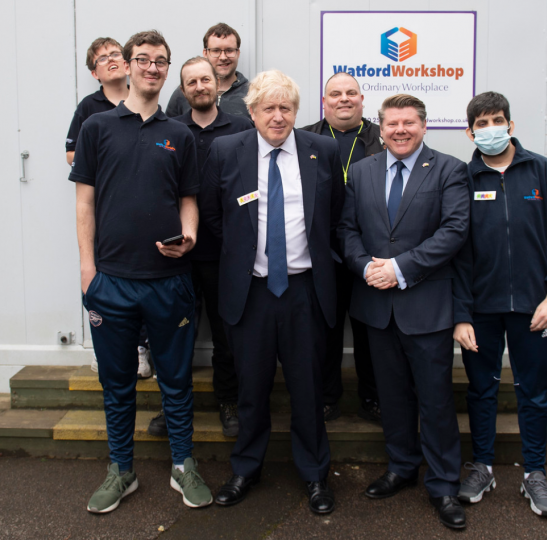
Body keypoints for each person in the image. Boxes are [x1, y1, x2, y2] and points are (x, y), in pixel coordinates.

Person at [70, 30, 213, 514]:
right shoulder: (97, 128)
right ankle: (121, 470)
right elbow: (84, 201)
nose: (152, 68)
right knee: (118, 383)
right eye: (144, 60)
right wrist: (88, 270)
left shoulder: (181, 135)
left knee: (176, 379)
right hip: (111, 282)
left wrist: (188, 236)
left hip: (169, 282)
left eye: (161, 62)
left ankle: (182, 465)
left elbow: (189, 199)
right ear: (128, 65)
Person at [199, 70, 345, 514]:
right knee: (251, 388)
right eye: (269, 108)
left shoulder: (323, 149)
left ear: (297, 112)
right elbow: (212, 215)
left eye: (286, 108)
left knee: (307, 388)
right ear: (252, 112)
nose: (277, 117)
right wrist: (246, 256)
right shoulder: (227, 150)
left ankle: (316, 475)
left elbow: (335, 214)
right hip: (252, 292)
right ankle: (246, 468)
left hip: (305, 291)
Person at [338, 94, 470, 530]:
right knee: (391, 397)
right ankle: (401, 466)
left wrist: (399, 268)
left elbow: (454, 230)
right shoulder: (361, 171)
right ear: (381, 126)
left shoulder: (449, 169)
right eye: (392, 123)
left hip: (426, 306)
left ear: (424, 125)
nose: (399, 130)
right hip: (376, 306)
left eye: (408, 123)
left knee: (434, 401)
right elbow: (347, 230)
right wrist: (365, 268)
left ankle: (444, 483)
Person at [453, 91, 547, 518]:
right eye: (482, 123)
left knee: (533, 392)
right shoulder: (462, 178)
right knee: (481, 390)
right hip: (481, 310)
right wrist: (460, 314)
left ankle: (535, 474)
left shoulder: (542, 171)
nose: (491, 129)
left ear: (511, 125)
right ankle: (484, 466)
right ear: (470, 131)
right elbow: (453, 251)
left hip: (534, 307)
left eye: (498, 121)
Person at [147, 57, 253, 439]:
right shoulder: (171, 131)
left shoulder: (242, 127)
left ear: (217, 84)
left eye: (204, 79)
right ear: (183, 89)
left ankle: (229, 403)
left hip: (227, 254)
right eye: (190, 82)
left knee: (227, 335)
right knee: (176, 333)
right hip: (179, 254)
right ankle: (171, 406)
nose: (199, 86)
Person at [64, 36, 151, 380]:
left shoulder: (144, 96)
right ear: (94, 72)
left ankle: (141, 348)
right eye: (103, 58)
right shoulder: (90, 108)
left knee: (144, 281)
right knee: (103, 281)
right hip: (106, 211)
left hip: (144, 210)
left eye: (117, 54)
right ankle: (107, 348)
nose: (112, 60)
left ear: (129, 62)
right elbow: (72, 154)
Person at [302, 72, 383, 424]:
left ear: (363, 100)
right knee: (325, 330)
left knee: (370, 331)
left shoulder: (383, 136)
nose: (344, 99)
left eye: (351, 93)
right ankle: (327, 398)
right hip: (322, 252)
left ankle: (373, 397)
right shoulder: (305, 137)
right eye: (335, 94)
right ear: (324, 102)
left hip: (372, 252)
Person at [166, 23, 249, 118]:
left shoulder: (252, 94)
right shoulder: (183, 94)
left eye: (229, 50)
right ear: (205, 53)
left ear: (238, 53)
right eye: (216, 51)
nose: (223, 57)